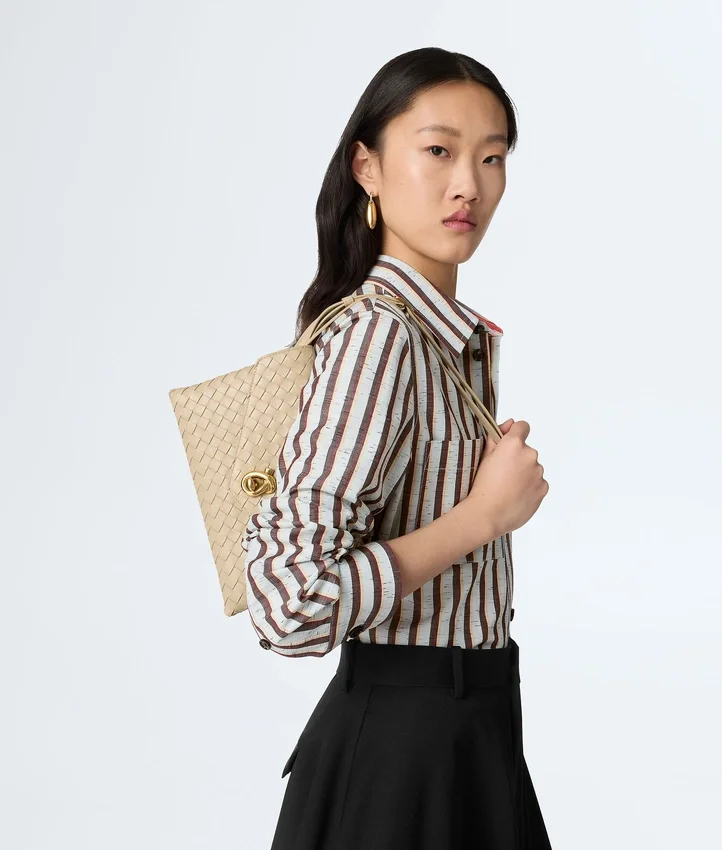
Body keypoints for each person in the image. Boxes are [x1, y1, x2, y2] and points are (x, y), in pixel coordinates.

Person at [242, 46, 553, 850]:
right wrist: (481, 518)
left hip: (469, 736)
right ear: (367, 168)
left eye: (492, 158)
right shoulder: (380, 338)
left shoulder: (443, 342)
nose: (469, 185)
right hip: (401, 763)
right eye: (439, 151)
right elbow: (289, 604)